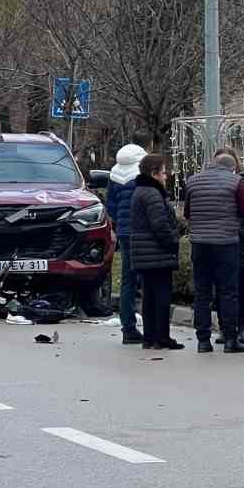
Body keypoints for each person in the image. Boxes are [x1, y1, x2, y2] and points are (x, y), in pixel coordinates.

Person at [185, 148, 244, 354]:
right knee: (228, 292)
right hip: (226, 243)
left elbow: (188, 212)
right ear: (231, 168)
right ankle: (231, 339)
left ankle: (203, 340)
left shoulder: (193, 181)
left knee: (202, 293)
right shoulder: (235, 182)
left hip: (199, 243)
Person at [127, 152, 184, 351]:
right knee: (161, 296)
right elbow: (159, 224)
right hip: (156, 252)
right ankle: (161, 337)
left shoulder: (140, 190)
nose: (166, 176)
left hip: (145, 252)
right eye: (164, 172)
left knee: (149, 296)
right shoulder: (152, 193)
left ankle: (150, 337)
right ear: (154, 174)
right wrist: (172, 242)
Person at [105, 142, 146, 345]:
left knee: (128, 280)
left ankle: (128, 328)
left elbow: (110, 206)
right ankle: (152, 326)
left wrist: (120, 222)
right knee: (148, 278)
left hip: (124, 231)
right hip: (143, 231)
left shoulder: (114, 175)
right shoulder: (142, 174)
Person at [215, 164, 244, 349]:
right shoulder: (213, 182)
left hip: (242, 242)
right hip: (221, 240)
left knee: (241, 288)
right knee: (221, 288)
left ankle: (241, 327)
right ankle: (225, 327)